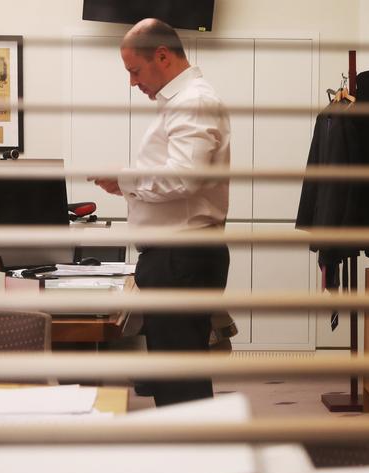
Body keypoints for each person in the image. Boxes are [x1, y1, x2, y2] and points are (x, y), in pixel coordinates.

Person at [91, 18, 231, 406]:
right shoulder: (183, 103)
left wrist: (126, 179)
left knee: (180, 388)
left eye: (135, 71)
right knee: (173, 381)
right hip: (175, 258)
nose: (133, 82)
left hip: (181, 258)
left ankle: (195, 461)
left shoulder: (194, 102)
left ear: (163, 56)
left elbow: (185, 178)